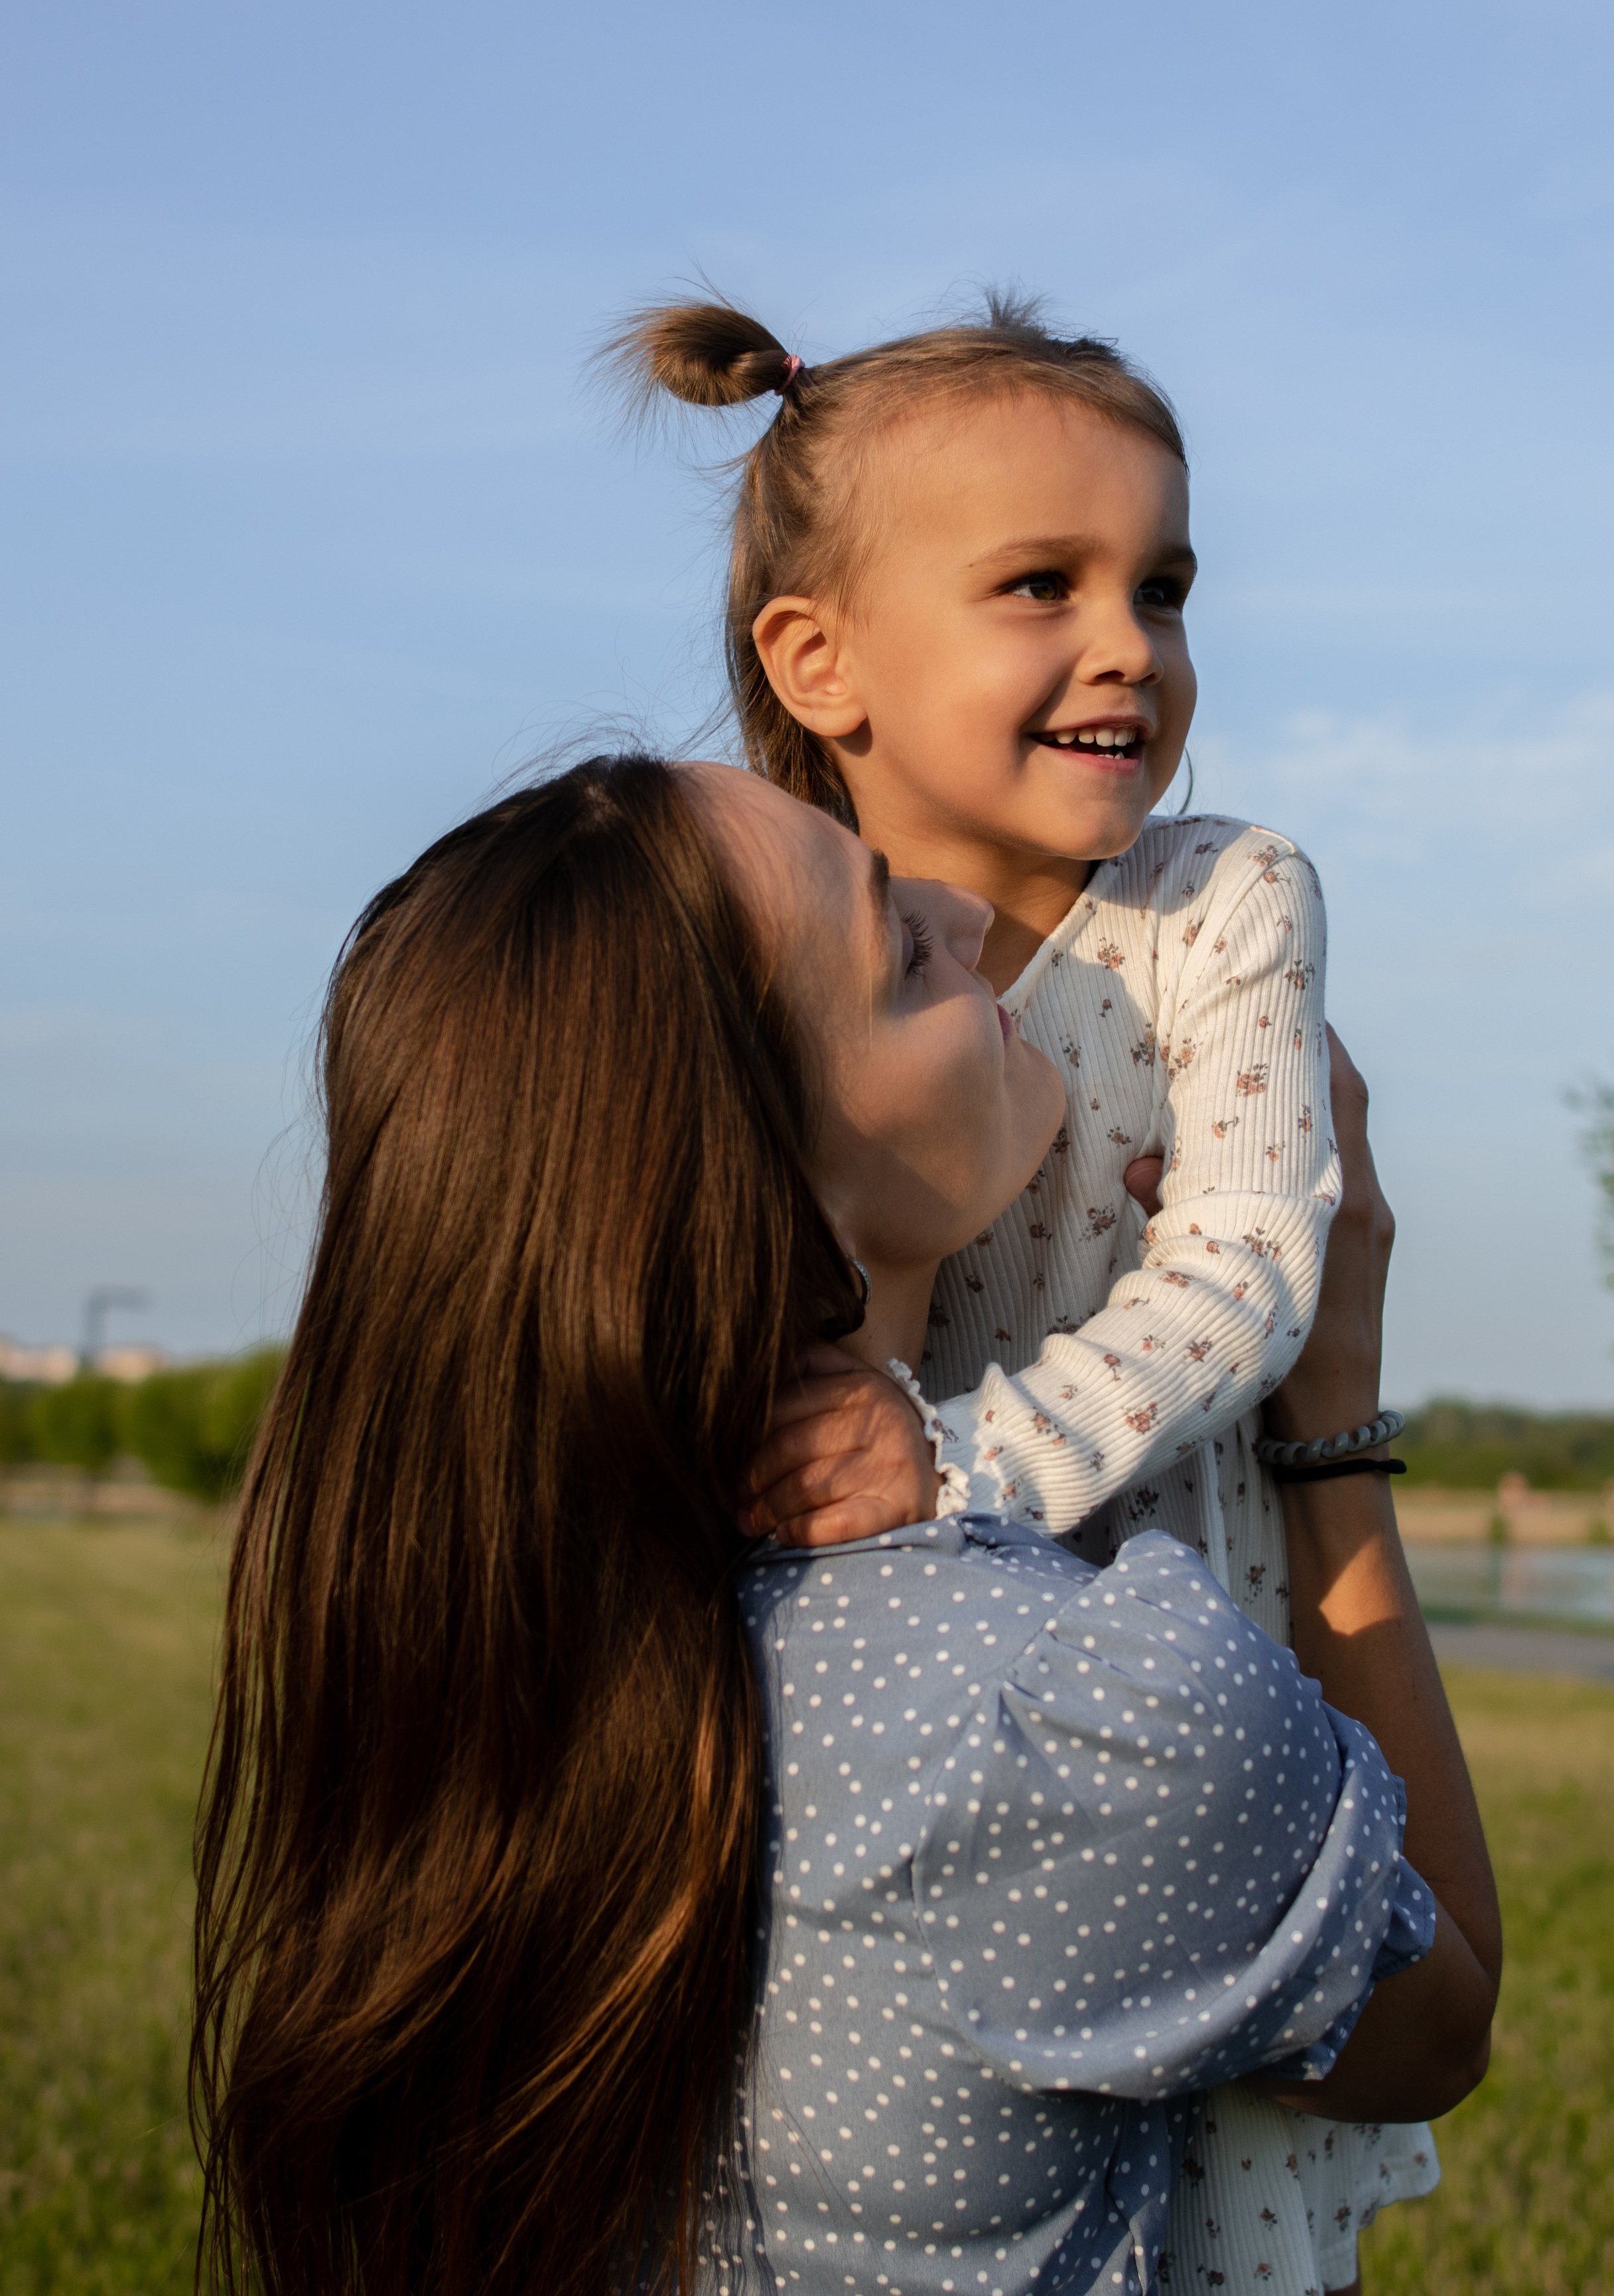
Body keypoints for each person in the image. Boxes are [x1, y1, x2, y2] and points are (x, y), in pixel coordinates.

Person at [192, 754, 1498, 2296]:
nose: (962, 909)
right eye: (898, 949)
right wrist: (1327, 1430)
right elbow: (1436, 2026)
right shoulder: (1068, 1714)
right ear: (762, 1179)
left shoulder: (482, 1667)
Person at [606, 293, 1438, 2288]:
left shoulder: (1222, 901)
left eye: (1162, 586)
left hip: (1170, 1647)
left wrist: (958, 1458)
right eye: (1038, 583)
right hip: (864, 1696)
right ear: (820, 659)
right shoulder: (758, 941)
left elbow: (1249, 1264)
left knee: (1224, 2179)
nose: (1128, 648)